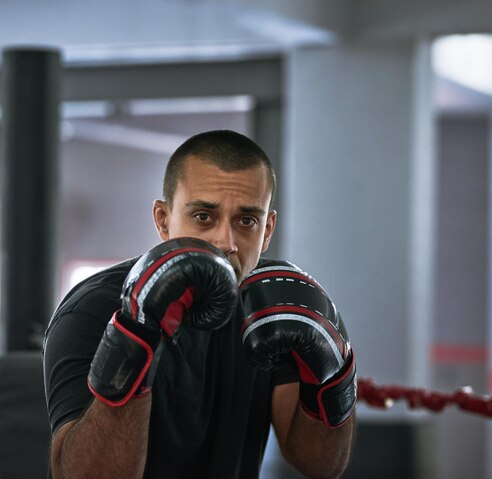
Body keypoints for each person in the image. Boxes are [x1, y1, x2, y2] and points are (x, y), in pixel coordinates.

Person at [43, 130, 357, 478]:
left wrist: (332, 373)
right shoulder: (93, 309)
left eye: (247, 221)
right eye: (204, 216)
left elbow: (320, 464)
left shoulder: (272, 304)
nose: (226, 241)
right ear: (163, 220)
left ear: (267, 230)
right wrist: (137, 334)